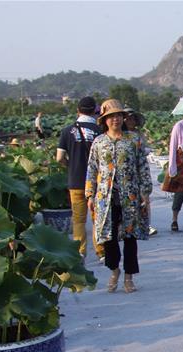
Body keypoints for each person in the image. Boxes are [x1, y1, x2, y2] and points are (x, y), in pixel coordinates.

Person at [85, 99, 152, 293]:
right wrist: (90, 194)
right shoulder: (99, 142)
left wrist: (145, 191)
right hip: (106, 197)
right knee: (109, 237)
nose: (115, 119)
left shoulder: (133, 140)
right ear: (104, 120)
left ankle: (129, 277)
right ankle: (114, 271)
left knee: (130, 237)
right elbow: (92, 168)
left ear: (123, 118)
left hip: (129, 195)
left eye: (118, 116)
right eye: (111, 117)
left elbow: (142, 167)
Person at [56, 96, 102, 259]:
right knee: (98, 217)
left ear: (78, 110)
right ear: (94, 111)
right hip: (97, 181)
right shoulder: (100, 131)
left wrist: (71, 165)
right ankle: (101, 251)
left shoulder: (67, 131)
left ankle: (80, 252)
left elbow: (59, 157)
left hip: (75, 180)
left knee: (79, 220)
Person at [123, 109, 157, 236]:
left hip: (141, 169)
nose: (130, 121)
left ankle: (146, 224)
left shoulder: (138, 134)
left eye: (132, 119)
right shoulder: (121, 135)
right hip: (127, 170)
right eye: (127, 119)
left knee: (145, 197)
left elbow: (145, 148)